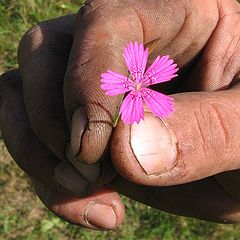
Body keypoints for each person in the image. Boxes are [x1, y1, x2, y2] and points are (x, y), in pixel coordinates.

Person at [1, 0, 240, 230]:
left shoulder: (145, 92)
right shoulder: (131, 86)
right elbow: (107, 83)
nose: (138, 83)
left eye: (141, 81)